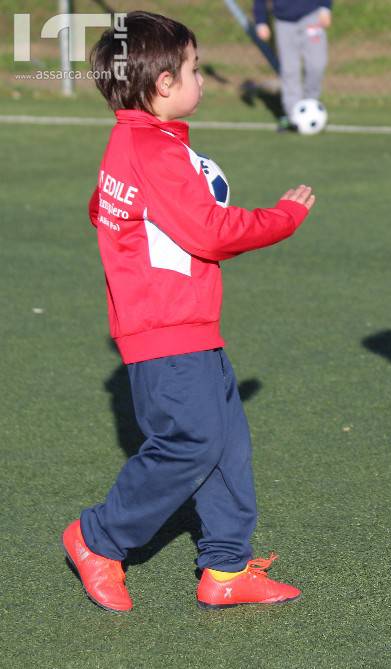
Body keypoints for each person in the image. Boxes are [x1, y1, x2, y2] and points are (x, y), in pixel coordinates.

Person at [64, 11, 315, 612]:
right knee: (190, 443)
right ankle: (98, 538)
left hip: (185, 324)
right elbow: (210, 232)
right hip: (164, 330)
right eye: (196, 69)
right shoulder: (153, 148)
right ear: (162, 86)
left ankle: (225, 567)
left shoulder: (135, 140)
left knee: (226, 444)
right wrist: (284, 217)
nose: (203, 79)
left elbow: (101, 208)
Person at [254, 0, 332, 131]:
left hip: (312, 16)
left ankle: (311, 107)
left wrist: (325, 8)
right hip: (283, 21)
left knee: (316, 65)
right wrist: (261, 21)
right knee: (290, 71)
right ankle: (293, 116)